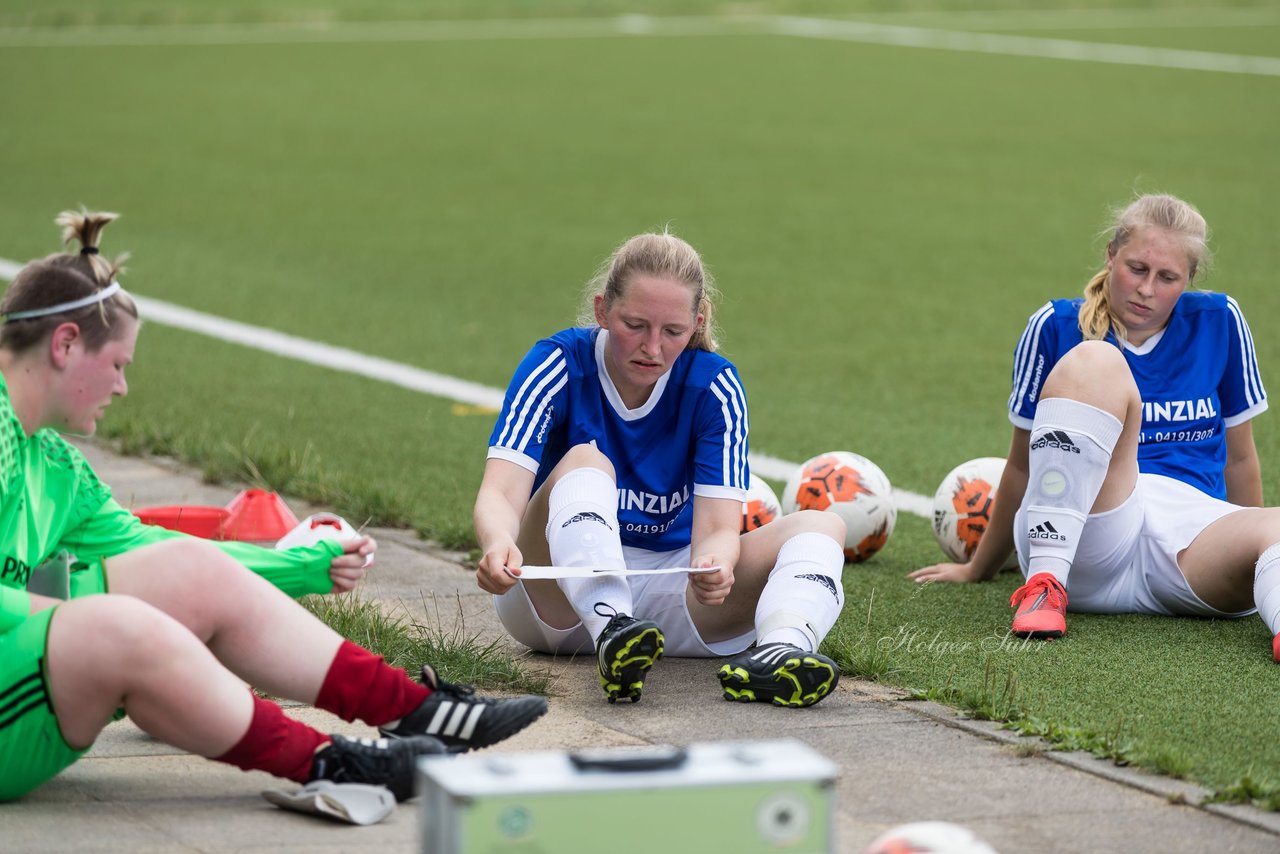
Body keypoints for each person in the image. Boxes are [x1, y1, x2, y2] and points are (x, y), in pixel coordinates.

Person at [0, 211, 547, 803]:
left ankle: (415, 709)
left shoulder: (55, 465)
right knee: (118, 624)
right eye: (117, 365)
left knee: (185, 571)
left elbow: (165, 557)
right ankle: (331, 763)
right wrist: (70, 617)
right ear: (65, 344)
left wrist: (298, 564)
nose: (123, 387)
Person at [473, 231, 849, 707]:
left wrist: (718, 564)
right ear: (601, 310)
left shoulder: (714, 386)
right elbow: (502, 493)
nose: (652, 347)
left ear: (696, 324)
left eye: (672, 332)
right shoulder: (557, 363)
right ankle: (612, 627)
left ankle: (782, 651)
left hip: (673, 594)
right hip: (555, 604)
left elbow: (716, 529)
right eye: (635, 324)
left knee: (824, 525)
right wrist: (498, 543)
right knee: (586, 460)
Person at [911, 193, 1280, 661]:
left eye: (1167, 277)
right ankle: (1044, 589)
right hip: (1089, 534)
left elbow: (1242, 456)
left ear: (1189, 280)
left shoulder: (1220, 320)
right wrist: (980, 567)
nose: (1147, 288)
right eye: (1137, 268)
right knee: (1096, 359)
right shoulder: (1056, 324)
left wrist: (1248, 533)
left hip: (1190, 542)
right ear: (1111, 255)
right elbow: (1023, 467)